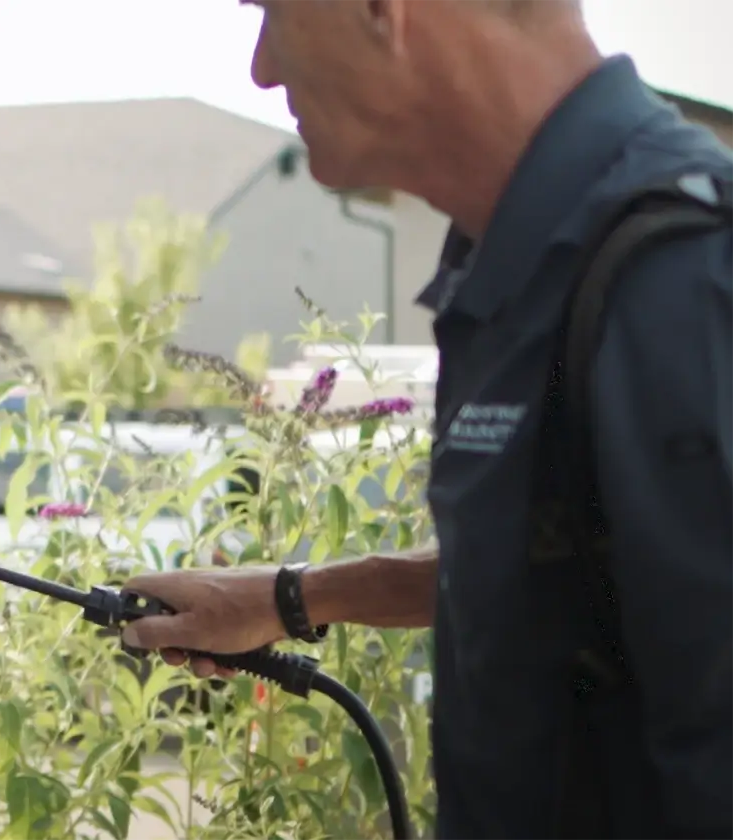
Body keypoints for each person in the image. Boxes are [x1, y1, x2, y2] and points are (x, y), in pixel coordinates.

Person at [119, 1, 733, 838]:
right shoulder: (509, 257)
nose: (263, 67)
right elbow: (565, 562)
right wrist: (291, 598)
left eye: (272, 11)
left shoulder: (684, 277)